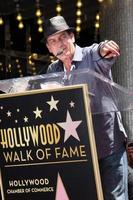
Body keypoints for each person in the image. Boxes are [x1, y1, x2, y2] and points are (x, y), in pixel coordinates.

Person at [43, 15, 128, 200]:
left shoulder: (91, 55)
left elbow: (102, 50)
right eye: (53, 41)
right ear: (49, 48)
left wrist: (106, 46)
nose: (60, 44)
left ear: (72, 36)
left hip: (108, 146)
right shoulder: (52, 71)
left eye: (63, 37)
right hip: (79, 153)